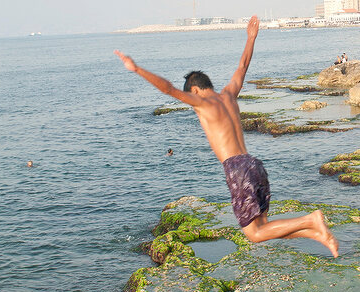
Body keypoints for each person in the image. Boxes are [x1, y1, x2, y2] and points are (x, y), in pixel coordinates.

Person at [115, 17, 339, 255]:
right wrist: (251, 37)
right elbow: (242, 66)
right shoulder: (230, 94)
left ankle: (311, 221)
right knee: (263, 228)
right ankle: (319, 235)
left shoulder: (202, 103)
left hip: (237, 167)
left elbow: (168, 88)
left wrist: (137, 69)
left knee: (254, 234)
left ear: (194, 90)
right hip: (253, 164)